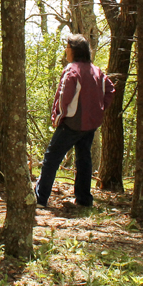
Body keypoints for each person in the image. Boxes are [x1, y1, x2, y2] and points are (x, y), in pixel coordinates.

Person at [34, 34, 115, 208]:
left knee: (51, 158)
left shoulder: (72, 70)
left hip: (72, 123)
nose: (66, 51)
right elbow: (110, 90)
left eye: (68, 47)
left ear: (74, 50)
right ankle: (84, 200)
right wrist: (99, 109)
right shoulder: (97, 71)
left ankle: (40, 199)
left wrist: (59, 116)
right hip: (90, 124)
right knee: (84, 159)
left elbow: (65, 96)